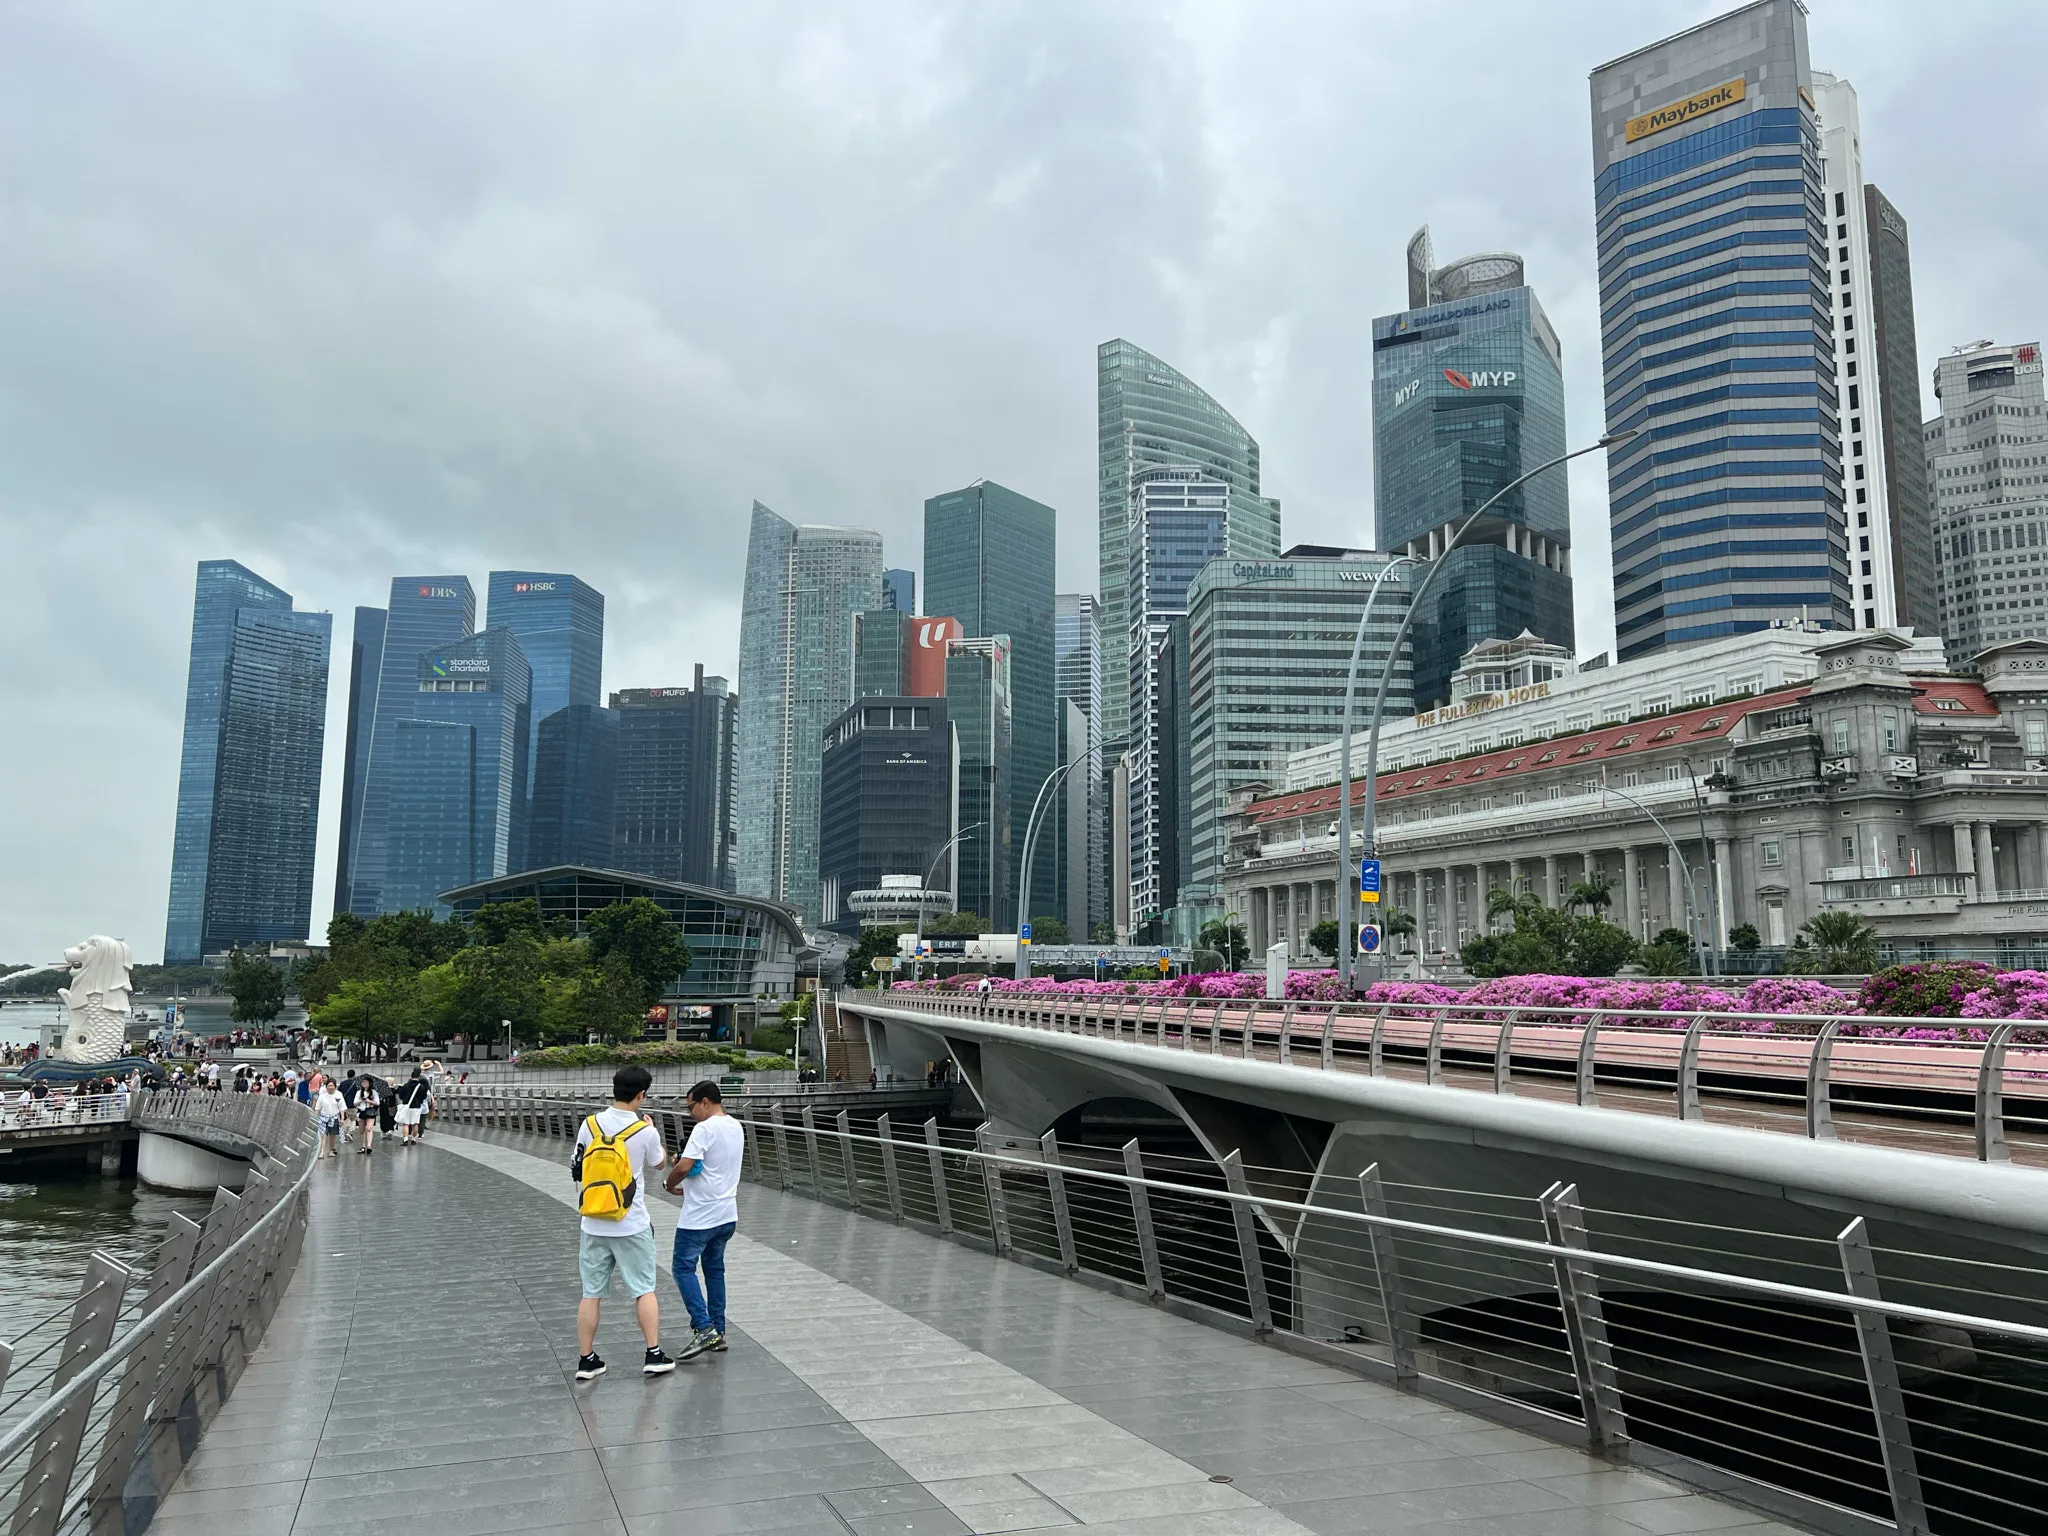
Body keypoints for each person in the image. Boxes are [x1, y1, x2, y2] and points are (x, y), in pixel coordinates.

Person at [571, 1066, 674, 1381]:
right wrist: (652, 1131)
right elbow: (659, 1163)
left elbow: (576, 1166)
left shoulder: (590, 1125)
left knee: (591, 1293)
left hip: (593, 1222)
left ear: (613, 1090)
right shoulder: (644, 1130)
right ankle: (653, 1354)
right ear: (642, 1094)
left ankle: (587, 1360)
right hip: (631, 1223)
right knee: (644, 1289)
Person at [664, 1079, 746, 1362]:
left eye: (691, 1107)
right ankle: (718, 1332)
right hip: (727, 1215)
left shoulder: (705, 1128)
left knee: (682, 1268)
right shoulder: (736, 1127)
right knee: (714, 1271)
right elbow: (712, 1168)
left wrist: (669, 1182)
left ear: (705, 1102)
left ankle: (704, 1327)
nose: (691, 1114)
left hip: (699, 1218)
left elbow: (686, 1166)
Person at [394, 1069, 433, 1146]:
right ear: (418, 1077)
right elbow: (424, 1097)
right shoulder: (421, 1087)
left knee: (406, 1124)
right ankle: (414, 1139)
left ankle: (405, 1139)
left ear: (411, 1076)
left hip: (407, 1107)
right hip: (417, 1107)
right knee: (415, 1124)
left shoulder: (405, 1086)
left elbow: (401, 1096)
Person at [314, 1078, 346, 1160]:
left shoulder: (339, 1095)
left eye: (332, 1086)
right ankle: (321, 1152)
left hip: (334, 1117)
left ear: (335, 1086)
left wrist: (342, 1119)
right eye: (328, 1086)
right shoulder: (322, 1096)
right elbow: (317, 1108)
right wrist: (315, 1117)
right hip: (323, 1117)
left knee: (332, 1136)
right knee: (323, 1135)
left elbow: (341, 1108)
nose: (330, 1087)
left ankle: (331, 1150)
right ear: (326, 1086)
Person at [353, 1076, 381, 1154]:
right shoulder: (359, 1092)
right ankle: (362, 1146)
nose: (364, 1083)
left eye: (365, 1082)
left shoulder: (374, 1092)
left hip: (370, 1111)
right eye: (363, 1082)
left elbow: (377, 1103)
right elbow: (354, 1103)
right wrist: (361, 1100)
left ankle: (369, 1145)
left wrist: (369, 1101)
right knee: (361, 1130)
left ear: (370, 1083)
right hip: (361, 1111)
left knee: (369, 1128)